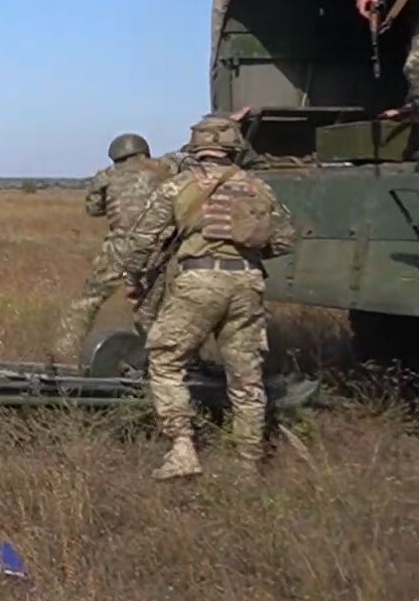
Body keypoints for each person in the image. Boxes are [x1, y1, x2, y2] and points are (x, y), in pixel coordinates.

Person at [116, 115, 296, 480]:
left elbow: (140, 243)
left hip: (198, 281)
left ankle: (182, 448)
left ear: (197, 147)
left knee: (165, 360)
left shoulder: (178, 187)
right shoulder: (259, 188)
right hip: (248, 282)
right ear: (234, 147)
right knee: (245, 375)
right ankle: (247, 463)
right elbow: (284, 240)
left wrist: (135, 276)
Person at [49, 133, 182, 365]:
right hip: (157, 247)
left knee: (89, 301)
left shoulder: (106, 177)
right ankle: (163, 359)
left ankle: (64, 353)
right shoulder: (164, 169)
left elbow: (94, 209)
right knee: (151, 307)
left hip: (118, 247)